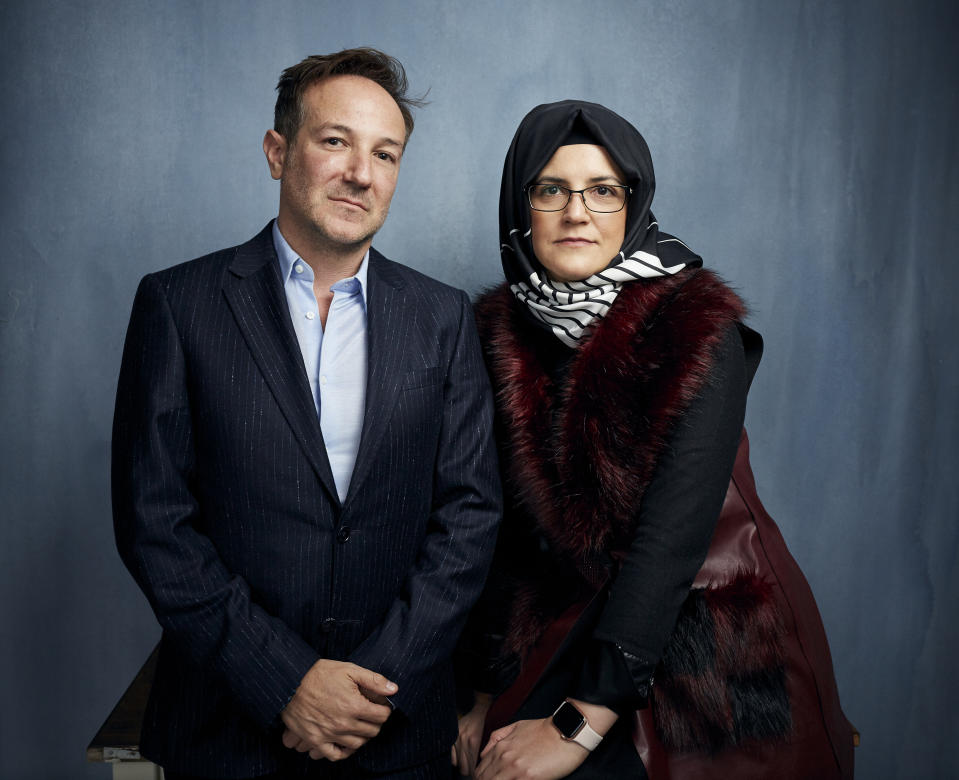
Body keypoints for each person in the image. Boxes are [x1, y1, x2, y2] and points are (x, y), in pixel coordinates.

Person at [112, 48, 501, 780]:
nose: (361, 171)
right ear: (276, 151)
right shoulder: (178, 304)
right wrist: (283, 680)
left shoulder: (443, 318)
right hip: (228, 729)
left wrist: (373, 688)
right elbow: (153, 521)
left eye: (384, 154)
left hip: (394, 733)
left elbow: (471, 514)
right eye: (335, 141)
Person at [452, 100, 855, 779]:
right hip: (573, 619)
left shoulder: (694, 322)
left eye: (603, 191)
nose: (576, 212)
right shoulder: (500, 334)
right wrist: (480, 691)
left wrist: (577, 726)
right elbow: (508, 536)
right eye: (550, 189)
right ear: (520, 205)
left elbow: (671, 539)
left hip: (708, 629)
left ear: (633, 203)